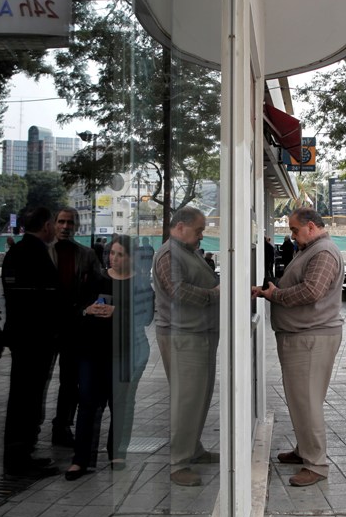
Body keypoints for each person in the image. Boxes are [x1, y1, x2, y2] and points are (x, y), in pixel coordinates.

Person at [253, 207, 344, 487]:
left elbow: (311, 290)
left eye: (294, 229)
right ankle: (305, 449)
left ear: (312, 227)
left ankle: (315, 464)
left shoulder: (323, 252)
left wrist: (276, 295)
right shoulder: (312, 249)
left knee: (307, 401)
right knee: (301, 399)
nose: (292, 235)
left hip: (310, 337)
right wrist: (269, 292)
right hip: (303, 336)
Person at [65, 235, 154, 480]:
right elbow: (77, 308)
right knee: (87, 402)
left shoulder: (140, 284)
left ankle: (117, 452)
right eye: (112, 253)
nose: (114, 258)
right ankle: (80, 459)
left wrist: (118, 311)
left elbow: (146, 317)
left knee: (121, 403)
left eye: (120, 254)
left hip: (124, 351)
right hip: (92, 350)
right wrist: (88, 310)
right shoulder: (96, 279)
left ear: (132, 257)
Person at [153, 207, 220, 487]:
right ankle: (178, 462)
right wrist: (213, 295)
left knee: (199, 397)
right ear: (180, 227)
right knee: (186, 399)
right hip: (183, 336)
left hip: (198, 332)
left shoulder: (187, 251)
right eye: (199, 230)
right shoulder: (169, 254)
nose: (202, 235)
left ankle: (193, 448)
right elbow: (177, 290)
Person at [1, 207, 61, 479]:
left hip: (21, 335)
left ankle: (21, 454)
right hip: (35, 338)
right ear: (47, 225)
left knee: (23, 396)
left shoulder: (16, 251)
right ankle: (19, 459)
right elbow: (46, 298)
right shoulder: (35, 253)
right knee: (27, 398)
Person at [50, 209, 106, 448]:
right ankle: (32, 428)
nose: (65, 226)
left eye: (70, 223)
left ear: (77, 226)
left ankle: (62, 426)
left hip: (74, 327)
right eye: (61, 222)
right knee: (38, 381)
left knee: (69, 382)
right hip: (47, 327)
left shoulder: (86, 254)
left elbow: (98, 287)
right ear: (54, 224)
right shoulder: (43, 252)